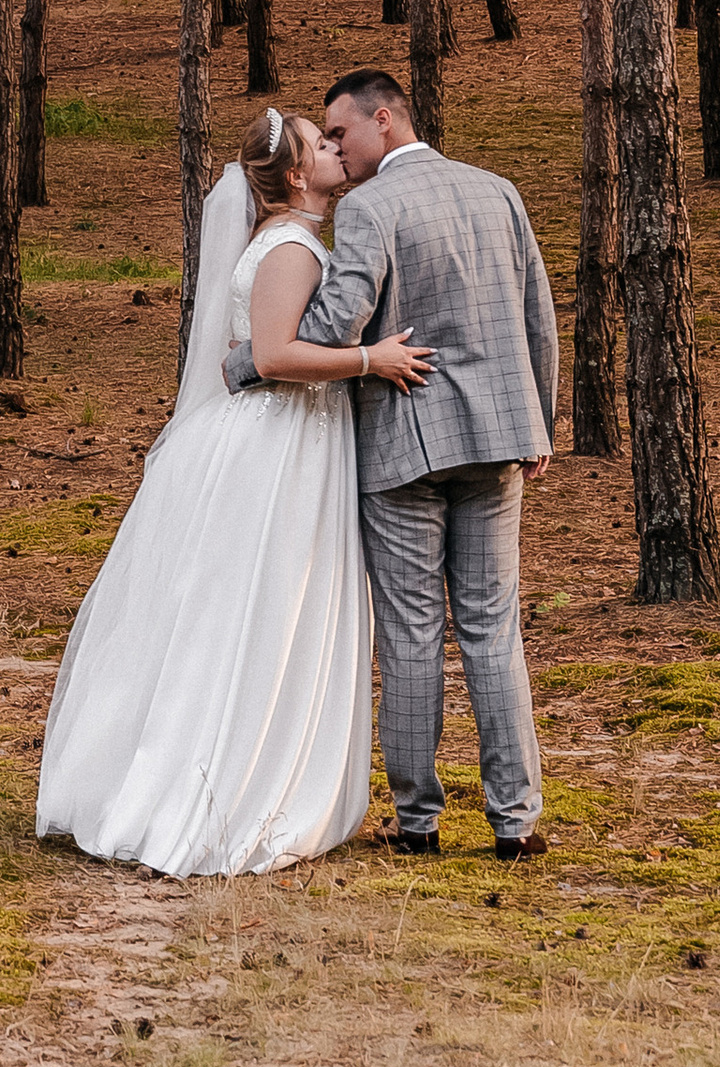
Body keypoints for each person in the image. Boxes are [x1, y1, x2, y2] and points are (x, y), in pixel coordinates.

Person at [35, 107, 433, 878]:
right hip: (280, 444)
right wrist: (370, 359)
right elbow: (278, 355)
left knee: (253, 605)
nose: (335, 151)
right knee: (263, 603)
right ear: (293, 175)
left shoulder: (290, 241)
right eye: (322, 145)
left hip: (288, 439)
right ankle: (229, 786)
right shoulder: (290, 245)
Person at [230, 66, 557, 860]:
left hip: (405, 446)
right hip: (499, 443)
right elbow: (536, 312)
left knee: (411, 634)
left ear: (385, 120)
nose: (336, 147)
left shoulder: (373, 208)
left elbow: (339, 324)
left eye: (341, 133)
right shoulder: (498, 190)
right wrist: (540, 420)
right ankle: (514, 819)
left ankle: (420, 821)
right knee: (491, 629)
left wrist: (250, 361)